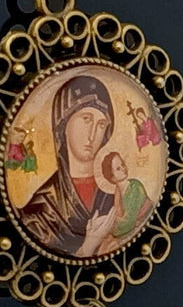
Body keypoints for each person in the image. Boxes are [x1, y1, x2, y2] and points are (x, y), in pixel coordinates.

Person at [16, 73, 118, 257]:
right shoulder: (41, 209)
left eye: (101, 124)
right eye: (86, 119)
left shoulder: (114, 196)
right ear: (63, 125)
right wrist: (87, 248)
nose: (92, 134)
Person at [103, 151, 149, 239]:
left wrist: (109, 230)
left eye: (123, 164)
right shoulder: (118, 193)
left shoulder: (135, 186)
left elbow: (129, 220)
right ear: (112, 178)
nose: (123, 168)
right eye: (118, 168)